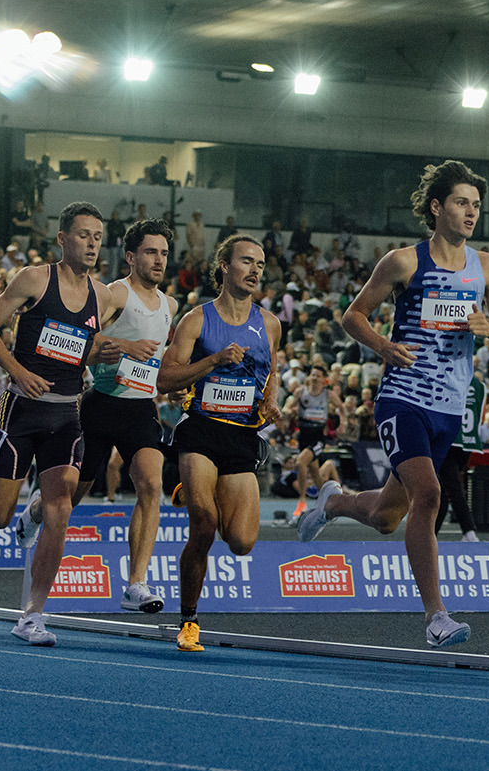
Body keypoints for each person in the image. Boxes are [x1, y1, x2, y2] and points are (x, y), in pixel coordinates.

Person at [295, 160, 489, 648]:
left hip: (449, 407)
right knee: (430, 495)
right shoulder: (404, 262)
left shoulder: (487, 266)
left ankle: (332, 501)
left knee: (385, 518)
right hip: (403, 399)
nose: (471, 212)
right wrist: (383, 346)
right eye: (461, 202)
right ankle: (436, 616)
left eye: (476, 205)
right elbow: (353, 315)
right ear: (437, 207)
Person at [0, 201, 117, 646]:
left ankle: (33, 615)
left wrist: (98, 353)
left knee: (60, 509)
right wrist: (17, 370)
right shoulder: (33, 278)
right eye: (83, 235)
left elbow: (76, 349)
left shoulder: (102, 296)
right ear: (62, 239)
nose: (91, 243)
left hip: (68, 413)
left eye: (97, 236)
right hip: (23, 410)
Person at [157, 234, 281, 652]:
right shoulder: (197, 320)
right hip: (201, 431)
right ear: (224, 266)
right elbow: (164, 379)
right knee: (204, 524)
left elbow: (272, 371)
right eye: (246, 261)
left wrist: (272, 400)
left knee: (242, 543)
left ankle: (192, 492)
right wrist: (212, 361)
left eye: (260, 265)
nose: (254, 270)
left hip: (243, 436)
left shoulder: (269, 324)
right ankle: (189, 620)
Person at [61, 218, 179, 613]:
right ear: (131, 256)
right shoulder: (115, 293)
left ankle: (136, 583)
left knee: (150, 484)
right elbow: (85, 339)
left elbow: (158, 361)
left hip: (142, 409)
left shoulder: (170, 304)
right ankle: (33, 511)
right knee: (70, 497)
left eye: (163, 252)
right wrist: (126, 346)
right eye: (150, 251)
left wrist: (172, 384)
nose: (159, 259)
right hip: (102, 403)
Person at [436, 375, 484, 542]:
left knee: (451, 489)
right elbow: (480, 417)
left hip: (448, 440)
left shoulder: (447, 376)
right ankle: (431, 534)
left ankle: (468, 531)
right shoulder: (479, 385)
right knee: (443, 489)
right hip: (468, 442)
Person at [283, 365, 335, 518]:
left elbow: (341, 408)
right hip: (303, 437)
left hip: (318, 439)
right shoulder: (300, 392)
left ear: (323, 379)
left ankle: (302, 501)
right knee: (316, 474)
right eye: (312, 375)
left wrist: (343, 421)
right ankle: (328, 505)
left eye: (318, 376)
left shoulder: (328, 395)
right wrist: (288, 411)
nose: (314, 378)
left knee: (300, 462)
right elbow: (287, 406)